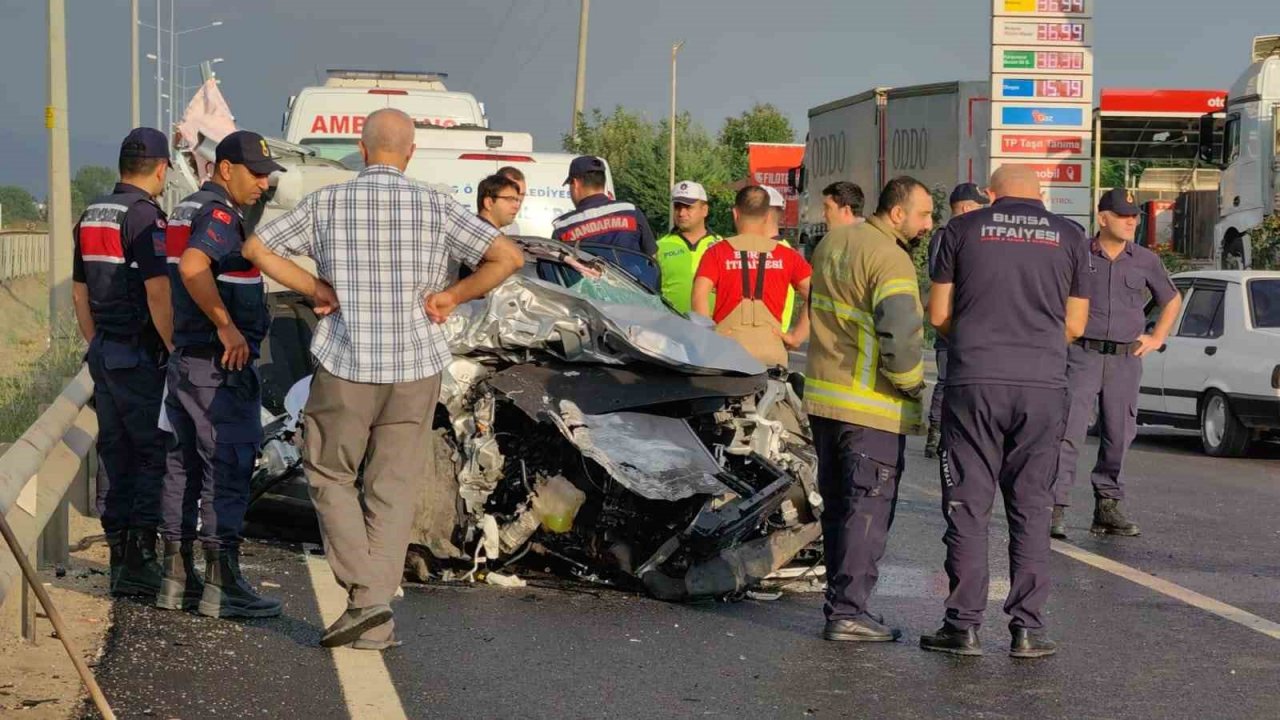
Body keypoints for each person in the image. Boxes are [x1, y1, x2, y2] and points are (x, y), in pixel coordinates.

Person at [246, 109, 525, 651]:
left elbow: (256, 248)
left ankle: (368, 599)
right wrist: (451, 296)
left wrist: (315, 289)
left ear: (362, 148)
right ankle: (376, 621)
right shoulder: (437, 203)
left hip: (347, 364)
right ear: (412, 152)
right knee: (392, 489)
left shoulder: (328, 202)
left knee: (329, 473)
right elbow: (507, 255)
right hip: (416, 366)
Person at [922, 165, 1090, 659]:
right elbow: (1076, 324)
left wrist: (978, 344)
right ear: (1041, 196)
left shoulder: (961, 229)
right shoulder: (1070, 236)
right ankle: (1028, 629)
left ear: (992, 194)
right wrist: (1033, 347)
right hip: (1042, 386)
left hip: (974, 381)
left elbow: (937, 314)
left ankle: (963, 626)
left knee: (968, 507)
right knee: (1032, 507)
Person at [156, 130, 289, 618]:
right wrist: (228, 327)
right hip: (220, 365)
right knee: (227, 467)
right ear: (225, 167)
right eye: (256, 174)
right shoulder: (217, 213)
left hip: (187, 361)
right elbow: (194, 268)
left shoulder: (185, 208)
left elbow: (166, 282)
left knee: (182, 466)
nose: (263, 184)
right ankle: (221, 584)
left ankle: (176, 577)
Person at [804, 176, 931, 643]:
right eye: (923, 214)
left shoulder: (832, 243)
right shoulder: (890, 258)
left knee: (838, 508)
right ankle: (849, 612)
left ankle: (838, 605)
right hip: (870, 406)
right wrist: (914, 387)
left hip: (826, 400)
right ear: (897, 213)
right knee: (867, 511)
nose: (927, 224)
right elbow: (899, 339)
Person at [71, 127, 174, 599]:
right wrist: (175, 349)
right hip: (139, 354)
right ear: (160, 169)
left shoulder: (92, 213)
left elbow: (79, 291)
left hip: (106, 352)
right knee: (151, 453)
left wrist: (96, 343)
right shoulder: (144, 218)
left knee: (113, 451)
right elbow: (157, 292)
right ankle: (139, 560)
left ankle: (118, 557)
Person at [1051, 189, 1182, 539]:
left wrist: (1157, 338)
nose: (1131, 221)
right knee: (1067, 432)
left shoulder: (1145, 260)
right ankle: (1055, 506)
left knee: (1119, 435)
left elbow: (1171, 299)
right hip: (1081, 355)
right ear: (1102, 217)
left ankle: (1107, 507)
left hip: (1125, 359)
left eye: (1135, 216)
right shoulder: (1078, 253)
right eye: (1123, 215)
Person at [691, 186, 811, 367]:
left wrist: (709, 336)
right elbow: (816, 296)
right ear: (767, 216)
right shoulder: (787, 255)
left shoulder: (716, 252)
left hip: (727, 352)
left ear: (735, 213)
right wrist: (796, 337)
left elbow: (699, 296)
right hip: (772, 353)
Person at [924, 183, 990, 459]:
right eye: (978, 208)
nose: (982, 214)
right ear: (964, 207)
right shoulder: (945, 236)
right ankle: (936, 433)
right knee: (946, 380)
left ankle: (957, 434)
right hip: (950, 323)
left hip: (969, 322)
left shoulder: (965, 234)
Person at [551, 155, 659, 289]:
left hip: (589, 305)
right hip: (633, 301)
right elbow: (652, 260)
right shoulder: (631, 211)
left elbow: (559, 278)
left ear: (576, 183)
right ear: (603, 182)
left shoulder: (563, 227)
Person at [656, 180, 720, 313]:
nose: (681, 213)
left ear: (704, 210)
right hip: (671, 328)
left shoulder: (721, 246)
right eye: (678, 207)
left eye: (688, 207)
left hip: (713, 330)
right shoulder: (659, 247)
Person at [496, 165, 526, 235]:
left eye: (521, 196)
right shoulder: (473, 227)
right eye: (511, 197)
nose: (517, 205)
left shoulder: (513, 227)